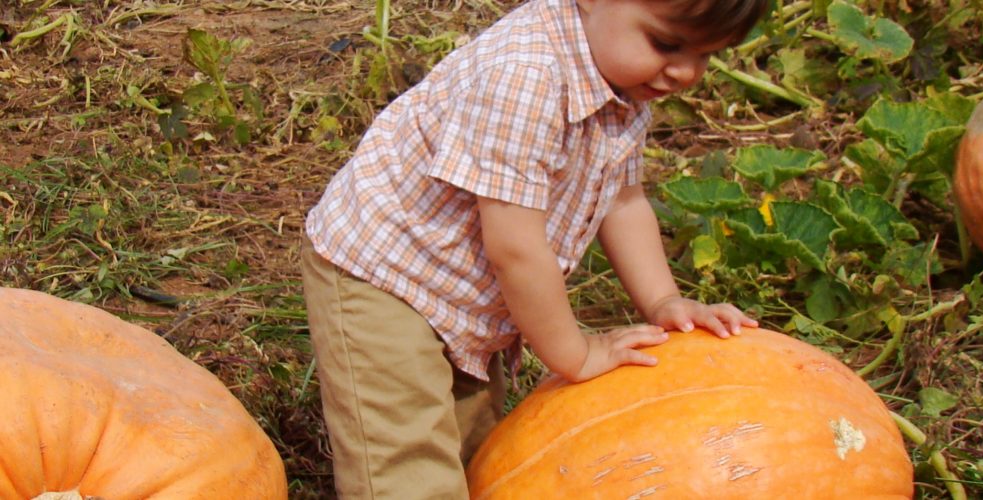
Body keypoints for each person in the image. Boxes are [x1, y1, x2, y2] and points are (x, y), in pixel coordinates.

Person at [301, 0, 768, 497]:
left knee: (479, 450)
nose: (684, 72)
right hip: (385, 275)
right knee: (406, 465)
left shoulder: (621, 77)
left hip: (462, 288)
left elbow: (624, 201)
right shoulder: (525, 77)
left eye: (707, 55)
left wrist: (663, 302)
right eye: (667, 44)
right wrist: (575, 354)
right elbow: (516, 249)